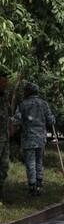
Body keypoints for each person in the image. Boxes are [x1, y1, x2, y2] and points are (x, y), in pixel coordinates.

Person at [13, 82, 55, 196]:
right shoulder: (44, 104)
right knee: (39, 160)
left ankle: (32, 186)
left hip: (28, 138)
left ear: (29, 91)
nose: (24, 92)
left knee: (30, 162)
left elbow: (17, 121)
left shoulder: (23, 105)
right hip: (41, 137)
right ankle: (39, 185)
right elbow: (51, 121)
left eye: (25, 90)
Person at [0, 70, 12, 203]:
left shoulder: (4, 96)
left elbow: (8, 114)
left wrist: (11, 125)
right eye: (3, 81)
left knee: (4, 167)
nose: (6, 83)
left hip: (4, 137)